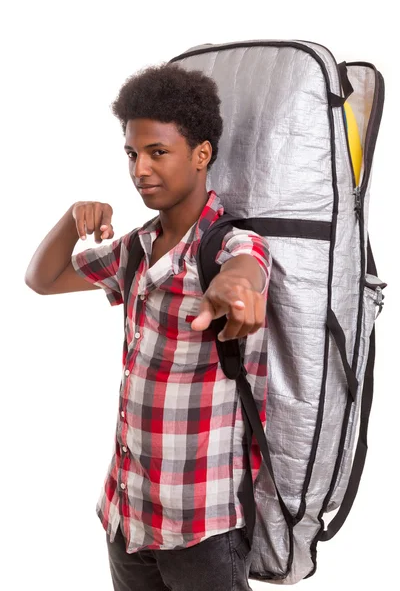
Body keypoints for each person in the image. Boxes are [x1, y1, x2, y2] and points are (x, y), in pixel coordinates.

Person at [25, 63, 271, 591]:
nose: (140, 169)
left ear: (201, 154)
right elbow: (41, 280)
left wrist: (235, 288)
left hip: (199, 524)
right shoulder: (136, 247)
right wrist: (73, 219)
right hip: (126, 512)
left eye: (158, 153)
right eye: (132, 154)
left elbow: (248, 264)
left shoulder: (226, 244)